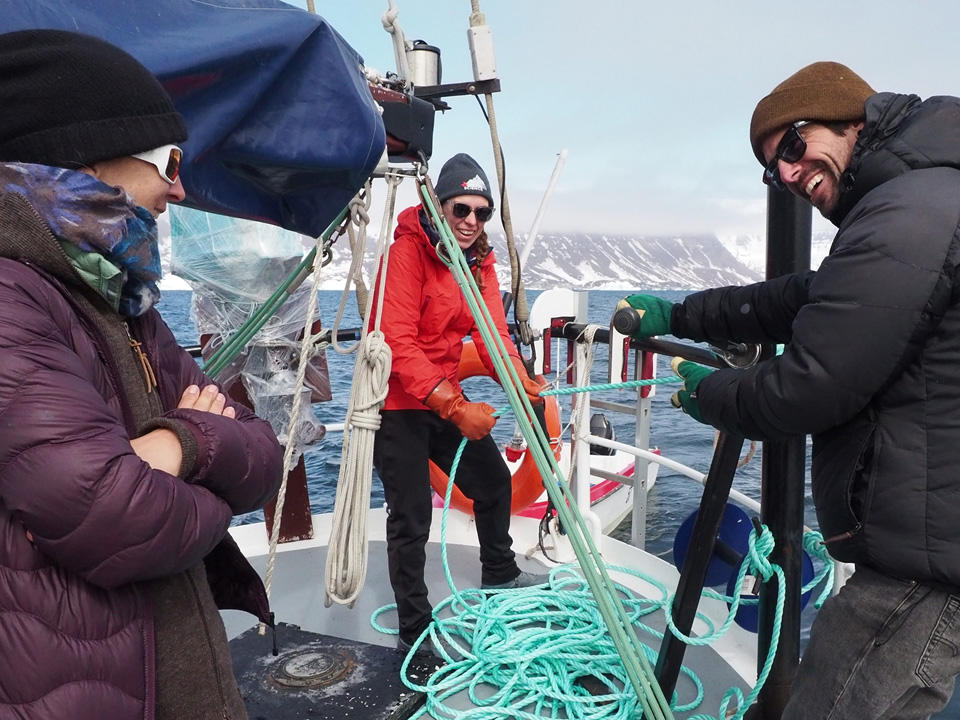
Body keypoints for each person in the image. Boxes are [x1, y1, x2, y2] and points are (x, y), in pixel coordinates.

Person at [620, 61, 960, 718]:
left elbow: (809, 390)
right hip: (921, 543)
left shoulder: (912, 215)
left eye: (795, 146)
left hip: (922, 566)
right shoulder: (910, 204)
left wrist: (708, 393)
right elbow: (800, 299)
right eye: (774, 167)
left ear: (851, 121)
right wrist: (680, 315)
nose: (789, 174)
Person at [0, 30, 284, 720]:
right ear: (83, 154)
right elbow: (111, 516)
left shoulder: (119, 299)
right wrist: (199, 445)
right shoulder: (11, 296)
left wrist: (175, 448)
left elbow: (262, 456)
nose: (179, 187)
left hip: (171, 670)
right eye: (169, 160)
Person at [372, 153, 548, 654]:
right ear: (438, 206)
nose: (471, 221)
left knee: (493, 482)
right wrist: (452, 405)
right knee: (410, 520)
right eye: (461, 210)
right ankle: (415, 631)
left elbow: (492, 334)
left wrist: (522, 380)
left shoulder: (479, 264)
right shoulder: (406, 255)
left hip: (444, 397)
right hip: (400, 406)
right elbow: (398, 342)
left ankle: (499, 573)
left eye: (481, 212)